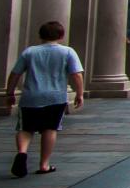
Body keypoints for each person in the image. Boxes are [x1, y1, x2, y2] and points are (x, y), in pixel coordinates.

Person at [6, 21, 84, 178]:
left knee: (25, 128)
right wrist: (79, 93)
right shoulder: (67, 52)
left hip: (31, 96)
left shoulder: (29, 52)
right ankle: (44, 164)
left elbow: (16, 73)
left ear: (40, 35)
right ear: (61, 36)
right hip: (55, 97)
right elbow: (76, 74)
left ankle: (22, 152)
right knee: (50, 128)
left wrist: (10, 92)